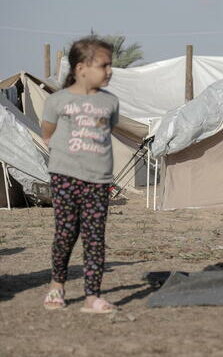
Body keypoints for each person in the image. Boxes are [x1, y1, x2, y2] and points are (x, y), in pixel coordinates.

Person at [41, 37, 119, 313]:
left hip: (98, 180)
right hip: (64, 177)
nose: (109, 71)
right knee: (65, 233)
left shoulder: (110, 102)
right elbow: (47, 134)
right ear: (81, 68)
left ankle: (92, 297)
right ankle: (57, 286)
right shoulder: (57, 100)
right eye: (104, 65)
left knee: (95, 238)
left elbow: (106, 133)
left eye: (111, 65)